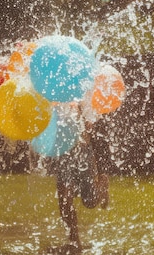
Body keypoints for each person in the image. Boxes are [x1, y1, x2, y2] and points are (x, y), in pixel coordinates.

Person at [52, 104, 109, 254]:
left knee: (89, 201)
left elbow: (90, 126)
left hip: (82, 151)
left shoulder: (81, 94)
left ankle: (102, 185)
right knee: (64, 197)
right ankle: (74, 241)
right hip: (63, 152)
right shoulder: (51, 92)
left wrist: (82, 116)